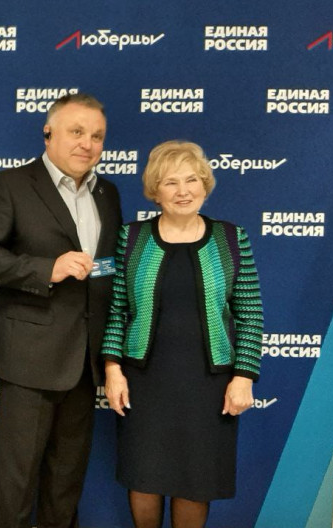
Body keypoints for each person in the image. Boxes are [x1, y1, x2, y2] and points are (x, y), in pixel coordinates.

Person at [0, 93, 122, 528]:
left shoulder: (108, 193)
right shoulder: (9, 184)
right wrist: (47, 268)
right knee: (17, 481)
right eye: (77, 132)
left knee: (66, 479)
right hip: (29, 355)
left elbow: (107, 268)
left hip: (85, 358)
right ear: (48, 133)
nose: (87, 144)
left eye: (97, 136)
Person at [101, 140, 264, 528]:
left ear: (205, 185)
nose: (183, 191)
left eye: (192, 180)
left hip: (210, 384)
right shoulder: (131, 238)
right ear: (155, 191)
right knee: (144, 477)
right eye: (170, 182)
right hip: (144, 381)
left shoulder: (230, 238)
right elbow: (116, 310)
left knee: (195, 480)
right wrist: (112, 370)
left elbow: (250, 314)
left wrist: (243, 377)